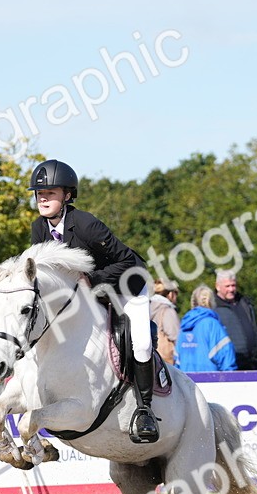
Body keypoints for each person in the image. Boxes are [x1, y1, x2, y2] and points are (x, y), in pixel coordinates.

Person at [27, 159, 159, 442]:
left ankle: (144, 409)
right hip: (87, 296)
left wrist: (93, 281)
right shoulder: (38, 229)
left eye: (50, 192)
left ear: (67, 195)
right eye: (39, 193)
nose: (42, 198)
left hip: (127, 284)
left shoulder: (85, 224)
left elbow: (127, 261)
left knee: (141, 341)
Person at [213, 270, 257, 371]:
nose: (231, 289)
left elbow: (256, 329)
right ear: (218, 286)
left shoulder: (245, 303)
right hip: (230, 365)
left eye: (233, 285)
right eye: (227, 286)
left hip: (252, 363)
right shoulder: (213, 308)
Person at [176, 285, 237, 372]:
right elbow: (226, 356)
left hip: (186, 381)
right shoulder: (212, 324)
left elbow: (177, 361)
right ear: (211, 301)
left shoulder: (183, 326)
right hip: (209, 381)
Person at [149, 279, 181, 365]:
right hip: (165, 361)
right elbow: (176, 336)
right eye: (176, 293)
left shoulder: (147, 307)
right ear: (170, 294)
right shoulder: (167, 311)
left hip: (149, 357)